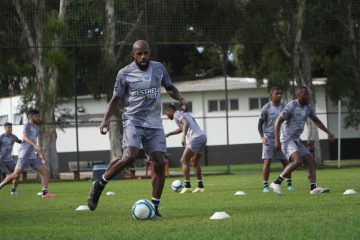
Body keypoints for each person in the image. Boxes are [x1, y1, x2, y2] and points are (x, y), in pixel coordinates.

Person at [87, 40, 188, 217]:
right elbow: (115, 100)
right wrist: (105, 120)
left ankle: (155, 208)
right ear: (133, 54)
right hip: (133, 121)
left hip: (154, 123)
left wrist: (180, 98)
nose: (143, 56)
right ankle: (100, 184)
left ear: (150, 53)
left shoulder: (158, 68)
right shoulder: (124, 73)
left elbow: (169, 87)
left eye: (146, 53)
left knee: (159, 162)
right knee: (130, 156)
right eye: (139, 53)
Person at [270, 86, 335, 195]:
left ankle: (313, 188)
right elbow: (278, 122)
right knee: (298, 161)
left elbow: (316, 121)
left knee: (310, 161)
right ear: (298, 95)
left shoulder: (308, 108)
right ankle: (276, 183)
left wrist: (328, 132)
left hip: (296, 139)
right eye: (305, 94)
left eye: (308, 94)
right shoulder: (292, 106)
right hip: (286, 138)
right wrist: (277, 140)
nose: (308, 96)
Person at [0, 109, 56, 198]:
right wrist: (34, 145)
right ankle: (1, 185)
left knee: (45, 171)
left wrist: (40, 153)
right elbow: (25, 137)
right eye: (36, 116)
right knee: (16, 174)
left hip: (32, 155)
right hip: (24, 154)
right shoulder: (27, 125)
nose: (38, 118)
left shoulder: (36, 127)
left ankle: (45, 193)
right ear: (30, 117)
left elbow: (35, 142)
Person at [164, 104, 207, 193]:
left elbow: (185, 123)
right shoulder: (183, 113)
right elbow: (182, 128)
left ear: (169, 111)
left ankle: (187, 186)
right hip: (202, 137)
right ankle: (200, 186)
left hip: (195, 138)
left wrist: (183, 137)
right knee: (194, 162)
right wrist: (169, 134)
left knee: (183, 160)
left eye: (166, 114)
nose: (167, 116)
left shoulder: (176, 114)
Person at [258, 87, 293, 193]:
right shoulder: (266, 108)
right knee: (267, 162)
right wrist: (263, 137)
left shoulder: (284, 107)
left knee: (285, 161)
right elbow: (260, 124)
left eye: (280, 94)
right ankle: (265, 186)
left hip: (282, 138)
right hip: (269, 138)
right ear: (271, 95)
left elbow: (289, 122)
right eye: (277, 93)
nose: (279, 95)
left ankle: (289, 184)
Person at [0, 122, 22, 195]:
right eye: (8, 128)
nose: (10, 129)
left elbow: (20, 142)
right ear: (4, 128)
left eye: (11, 127)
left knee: (17, 174)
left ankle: (13, 190)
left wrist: (28, 141)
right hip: (1, 160)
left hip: (10, 160)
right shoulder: (1, 137)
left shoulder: (13, 137)